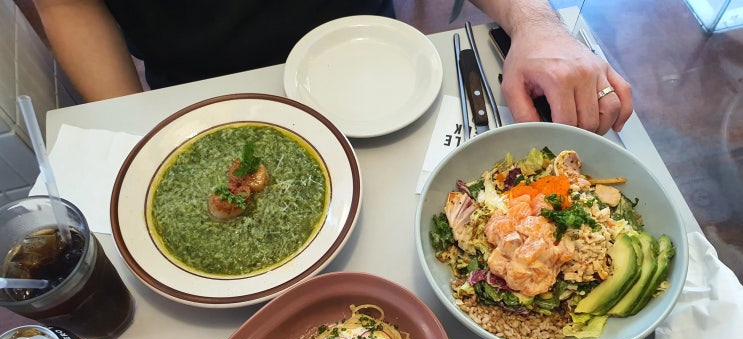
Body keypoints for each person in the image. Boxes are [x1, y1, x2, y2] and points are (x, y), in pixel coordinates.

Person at [32, 0, 631, 135]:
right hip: (197, 97)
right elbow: (66, 5)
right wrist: (136, 126)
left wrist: (536, 22)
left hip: (382, 76)